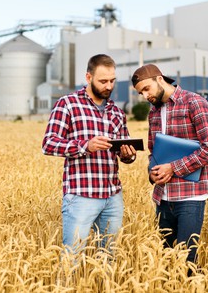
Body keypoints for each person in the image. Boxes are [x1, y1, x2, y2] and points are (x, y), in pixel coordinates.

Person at [42, 54, 137, 256]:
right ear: (88, 77)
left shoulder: (117, 112)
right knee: (72, 257)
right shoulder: (67, 104)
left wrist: (128, 154)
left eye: (112, 81)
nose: (108, 86)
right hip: (81, 196)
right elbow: (49, 144)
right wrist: (86, 146)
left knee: (108, 257)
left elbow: (125, 152)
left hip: (113, 196)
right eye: (103, 81)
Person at [131, 63, 208, 275]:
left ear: (160, 79)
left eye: (146, 89)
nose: (145, 96)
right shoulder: (153, 113)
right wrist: (152, 172)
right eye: (140, 93)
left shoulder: (194, 102)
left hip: (190, 197)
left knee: (186, 262)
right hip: (163, 198)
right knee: (167, 262)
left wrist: (173, 168)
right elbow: (153, 151)